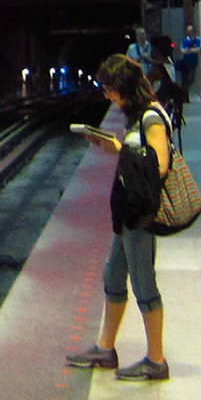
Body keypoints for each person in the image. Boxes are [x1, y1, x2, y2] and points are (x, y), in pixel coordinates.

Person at [65, 53, 172, 381]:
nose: (107, 95)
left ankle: (156, 360)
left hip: (140, 214)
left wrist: (118, 148)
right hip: (127, 210)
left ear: (124, 87)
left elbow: (160, 164)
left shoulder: (152, 118)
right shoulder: (136, 115)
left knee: (143, 283)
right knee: (113, 277)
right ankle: (106, 348)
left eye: (110, 89)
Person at [179, 23, 201, 99]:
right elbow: (183, 51)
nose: (189, 32)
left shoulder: (198, 40)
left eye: (191, 31)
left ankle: (182, 91)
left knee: (190, 78)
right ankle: (185, 98)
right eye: (188, 31)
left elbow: (198, 49)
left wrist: (189, 50)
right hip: (185, 62)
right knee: (184, 78)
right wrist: (191, 50)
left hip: (193, 62)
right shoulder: (184, 41)